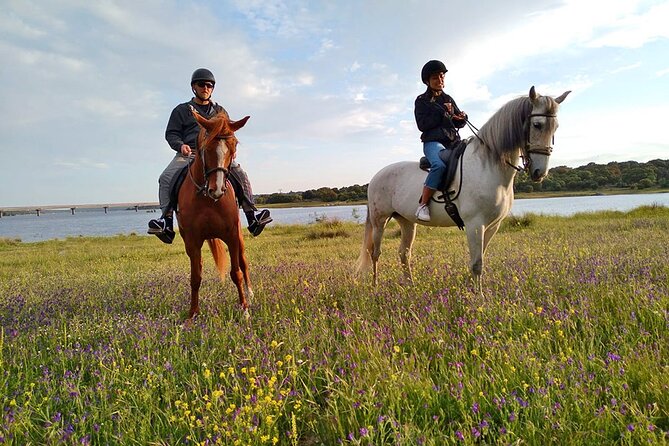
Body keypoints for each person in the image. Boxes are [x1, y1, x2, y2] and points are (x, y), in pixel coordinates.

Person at [148, 68, 272, 243]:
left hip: (215, 155)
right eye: (201, 84)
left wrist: (231, 149)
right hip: (189, 153)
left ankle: (252, 216)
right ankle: (166, 223)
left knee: (241, 174)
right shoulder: (181, 110)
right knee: (166, 178)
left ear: (212, 88)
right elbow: (171, 134)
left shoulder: (220, 111)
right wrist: (180, 145)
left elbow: (229, 133)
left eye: (209, 85)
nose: (205, 88)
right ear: (194, 87)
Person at [414, 60, 467, 222]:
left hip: (453, 142)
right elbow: (422, 125)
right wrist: (441, 115)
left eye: (442, 76)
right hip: (433, 142)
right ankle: (423, 205)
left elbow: (457, 122)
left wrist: (462, 118)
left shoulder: (448, 99)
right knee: (439, 165)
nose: (440, 80)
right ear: (427, 81)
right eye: (436, 77)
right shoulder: (422, 100)